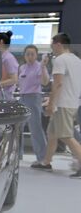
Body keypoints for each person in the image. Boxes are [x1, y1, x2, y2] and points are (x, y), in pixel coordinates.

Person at [32, 33, 81, 178]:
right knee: (52, 133)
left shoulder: (60, 60)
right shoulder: (76, 60)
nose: (52, 48)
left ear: (58, 44)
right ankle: (46, 162)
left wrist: (51, 104)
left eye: (52, 45)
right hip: (72, 102)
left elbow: (58, 84)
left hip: (62, 104)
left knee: (65, 135)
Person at [18, 45, 49, 164]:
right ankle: (18, 155)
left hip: (33, 98)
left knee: (35, 128)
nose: (30, 56)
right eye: (27, 54)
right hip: (22, 98)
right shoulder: (22, 67)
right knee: (18, 128)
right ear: (24, 55)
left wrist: (43, 67)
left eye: (32, 54)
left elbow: (45, 82)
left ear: (36, 55)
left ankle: (42, 157)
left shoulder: (39, 67)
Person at [0, 31, 19, 100]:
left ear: (1, 42)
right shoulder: (1, 57)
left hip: (6, 96)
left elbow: (14, 79)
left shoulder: (8, 58)